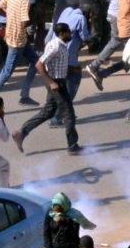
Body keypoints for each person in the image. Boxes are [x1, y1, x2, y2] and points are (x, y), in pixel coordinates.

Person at [11, 23, 82, 156]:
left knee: (48, 111)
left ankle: (21, 133)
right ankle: (73, 146)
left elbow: (57, 64)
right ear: (62, 33)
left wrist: (72, 69)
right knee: (69, 113)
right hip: (56, 83)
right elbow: (39, 64)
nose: (70, 35)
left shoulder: (61, 45)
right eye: (68, 32)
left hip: (58, 81)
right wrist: (51, 82)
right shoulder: (55, 46)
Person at [0, 0, 38, 106]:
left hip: (14, 35)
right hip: (17, 40)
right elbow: (24, 23)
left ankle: (25, 95)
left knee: (36, 62)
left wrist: (10, 16)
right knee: (7, 71)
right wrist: (34, 18)